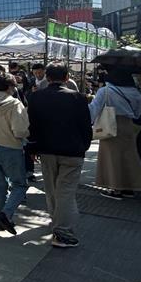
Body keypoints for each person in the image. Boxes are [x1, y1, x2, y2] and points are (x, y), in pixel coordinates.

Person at [27, 63, 92, 248]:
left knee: (52, 189)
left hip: (46, 150)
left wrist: (32, 148)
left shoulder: (36, 97)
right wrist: (84, 146)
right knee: (66, 191)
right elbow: (86, 127)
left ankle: (57, 223)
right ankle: (62, 231)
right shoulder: (78, 98)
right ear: (66, 77)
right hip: (72, 150)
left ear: (47, 78)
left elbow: (32, 126)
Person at [89, 69, 141, 198]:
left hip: (110, 125)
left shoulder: (105, 91)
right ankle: (129, 187)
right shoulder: (135, 92)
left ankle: (115, 189)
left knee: (112, 158)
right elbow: (138, 113)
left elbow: (94, 109)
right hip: (128, 126)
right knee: (129, 156)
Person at [0, 74, 30, 234]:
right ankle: (5, 215)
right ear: (10, 87)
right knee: (19, 185)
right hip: (10, 148)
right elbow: (20, 131)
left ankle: (4, 219)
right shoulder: (15, 104)